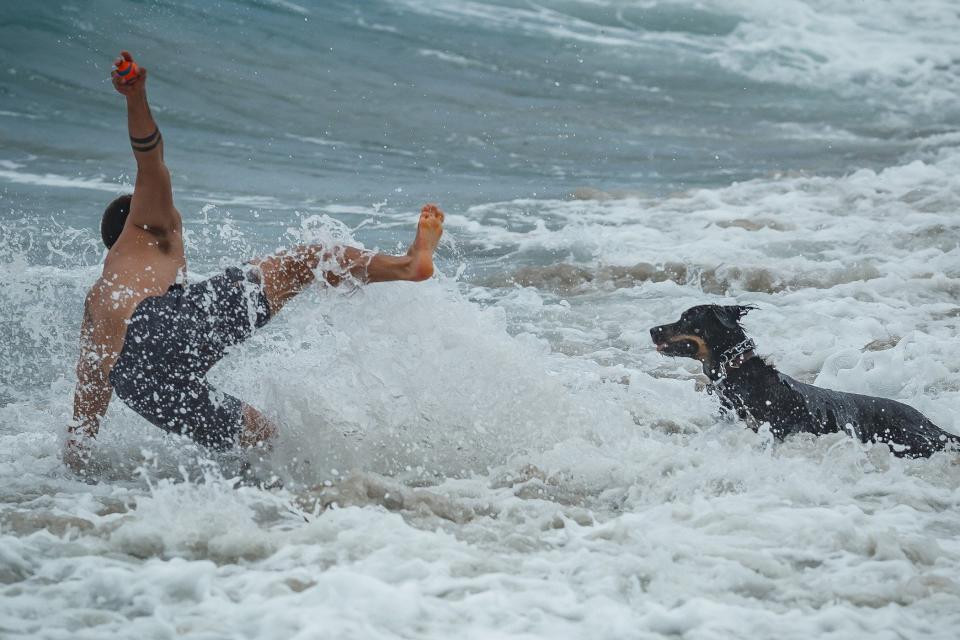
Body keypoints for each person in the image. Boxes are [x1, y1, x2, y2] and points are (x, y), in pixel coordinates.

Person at [64, 52, 444, 473]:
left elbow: (92, 384)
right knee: (307, 259)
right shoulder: (149, 226)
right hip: (158, 326)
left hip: (139, 384)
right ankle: (407, 266)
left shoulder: (101, 296)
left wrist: (76, 459)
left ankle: (293, 507)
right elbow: (150, 159)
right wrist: (135, 97)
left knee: (264, 441)